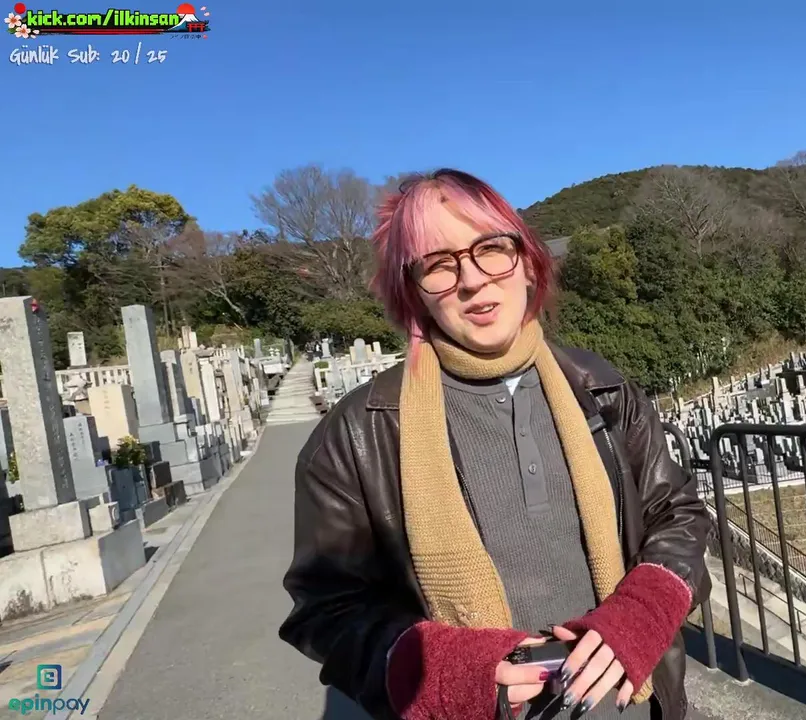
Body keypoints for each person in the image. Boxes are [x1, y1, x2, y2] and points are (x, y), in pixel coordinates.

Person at [279, 169, 712, 720]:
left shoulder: (600, 388)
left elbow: (677, 512)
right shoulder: (359, 433)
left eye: (491, 249)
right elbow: (326, 606)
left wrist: (643, 611)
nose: (472, 280)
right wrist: (447, 672)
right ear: (414, 291)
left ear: (527, 261)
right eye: (438, 264)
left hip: (628, 704)